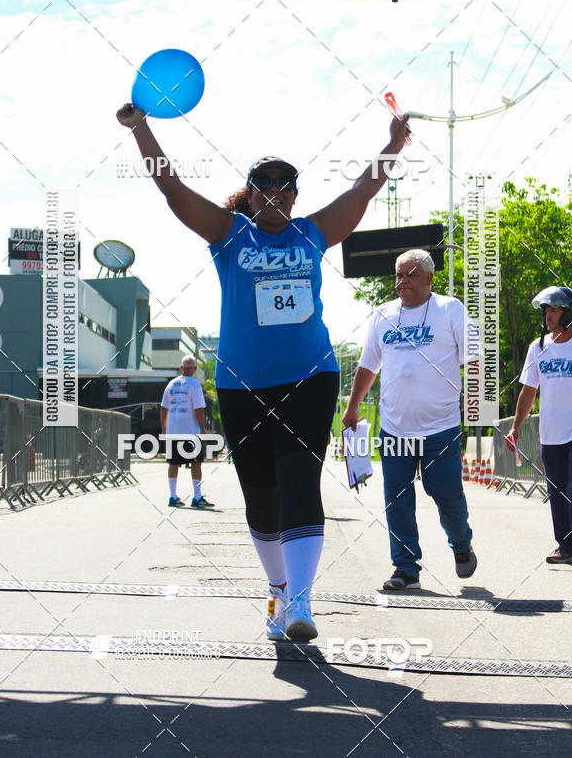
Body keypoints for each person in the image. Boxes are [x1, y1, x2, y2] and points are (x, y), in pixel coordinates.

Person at [117, 101, 409, 642]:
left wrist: (393, 145)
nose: (275, 189)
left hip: (309, 377)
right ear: (250, 193)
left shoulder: (312, 233)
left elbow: (362, 193)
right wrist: (142, 129)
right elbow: (174, 190)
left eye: (285, 182)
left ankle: (301, 601)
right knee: (261, 497)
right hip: (241, 385)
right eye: (264, 181)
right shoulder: (230, 234)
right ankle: (278, 590)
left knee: (300, 482)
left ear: (296, 194)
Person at [343, 249, 478, 591]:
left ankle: (461, 544)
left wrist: (474, 404)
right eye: (399, 275)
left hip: (441, 425)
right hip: (395, 426)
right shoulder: (384, 315)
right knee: (397, 498)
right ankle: (405, 568)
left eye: (411, 275)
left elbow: (475, 358)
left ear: (430, 278)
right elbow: (368, 365)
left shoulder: (451, 310)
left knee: (445, 494)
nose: (403, 282)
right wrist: (352, 406)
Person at [506, 286, 572, 565]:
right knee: (556, 493)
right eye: (546, 310)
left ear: (568, 313)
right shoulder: (538, 347)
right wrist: (516, 427)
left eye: (554, 310)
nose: (548, 315)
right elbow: (528, 391)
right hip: (550, 434)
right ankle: (565, 547)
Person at [161, 355, 214, 509]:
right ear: (195, 369)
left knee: (173, 463)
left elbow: (164, 408)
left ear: (181, 368)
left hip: (173, 430)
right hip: (190, 431)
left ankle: (173, 496)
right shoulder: (195, 384)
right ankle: (197, 497)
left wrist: (164, 429)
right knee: (196, 462)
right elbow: (198, 409)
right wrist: (202, 430)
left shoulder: (170, 385)